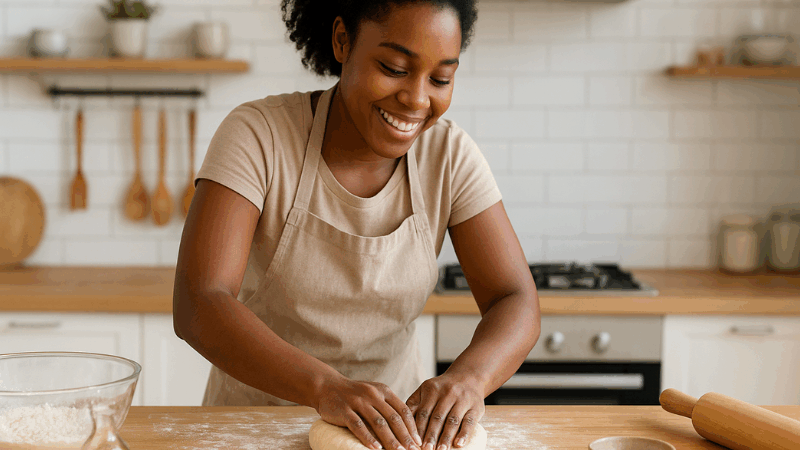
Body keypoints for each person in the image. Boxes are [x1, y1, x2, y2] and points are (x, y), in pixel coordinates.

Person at [173, 1, 541, 450]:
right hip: (252, 431)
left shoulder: (449, 156)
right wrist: (324, 387)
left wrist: (469, 379)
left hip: (396, 438)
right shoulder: (259, 135)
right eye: (394, 67)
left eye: (441, 78)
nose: (417, 99)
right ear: (342, 40)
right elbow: (200, 301)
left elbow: (515, 298)